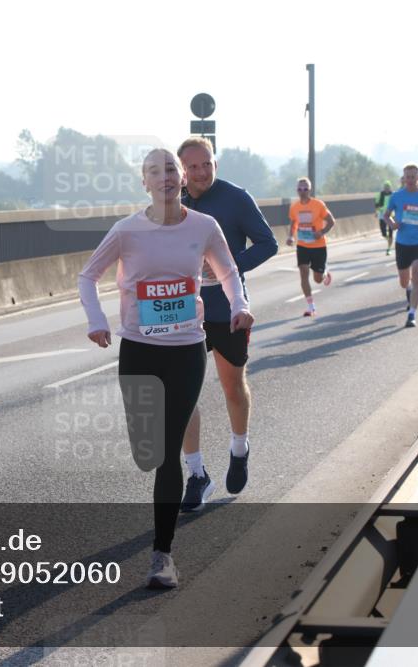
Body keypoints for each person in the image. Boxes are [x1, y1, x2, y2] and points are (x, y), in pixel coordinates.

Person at [78, 148, 254, 588]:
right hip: (139, 349)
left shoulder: (204, 226)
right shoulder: (126, 231)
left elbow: (228, 272)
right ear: (145, 183)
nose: (166, 177)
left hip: (186, 349)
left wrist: (239, 305)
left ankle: (162, 555)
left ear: (181, 179)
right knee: (148, 450)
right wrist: (98, 321)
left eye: (171, 169)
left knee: (168, 450)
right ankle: (164, 490)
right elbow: (87, 276)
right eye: (155, 172)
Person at [176, 137, 277, 513]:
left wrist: (228, 265)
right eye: (194, 167)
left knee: (233, 386)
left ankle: (239, 448)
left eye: (208, 164)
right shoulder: (173, 202)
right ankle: (197, 473)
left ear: (215, 164)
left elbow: (268, 243)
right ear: (182, 170)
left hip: (228, 309)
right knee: (183, 394)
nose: (202, 173)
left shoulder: (236, 198)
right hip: (184, 313)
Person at [383, 164, 418, 328]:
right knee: (404, 281)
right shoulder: (397, 196)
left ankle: (412, 314)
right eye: (408, 177)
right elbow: (386, 215)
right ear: (404, 178)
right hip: (402, 244)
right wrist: (392, 224)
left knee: (417, 273)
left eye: (414, 177)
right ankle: (409, 289)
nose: (411, 180)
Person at [286, 177, 335, 317]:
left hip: (319, 246)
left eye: (305, 189)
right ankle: (311, 307)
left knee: (317, 279)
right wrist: (290, 236)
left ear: (310, 189)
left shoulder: (318, 205)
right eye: (300, 189)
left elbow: (331, 221)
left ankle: (325, 273)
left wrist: (322, 232)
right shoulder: (294, 206)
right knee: (303, 272)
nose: (302, 191)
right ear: (297, 190)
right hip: (302, 245)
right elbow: (294, 222)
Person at [375, 180, 394, 255]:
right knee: (383, 233)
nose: (387, 188)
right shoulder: (380, 194)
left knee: (390, 232)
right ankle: (388, 240)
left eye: (388, 187)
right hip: (382, 215)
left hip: (391, 215)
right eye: (385, 187)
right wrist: (376, 212)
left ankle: (389, 248)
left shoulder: (393, 195)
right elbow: (376, 204)